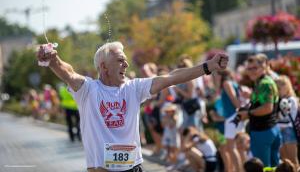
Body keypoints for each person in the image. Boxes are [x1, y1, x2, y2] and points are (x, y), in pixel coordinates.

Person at [37, 41, 228, 172]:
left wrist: (207, 67)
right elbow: (68, 73)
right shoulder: (88, 89)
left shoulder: (134, 87)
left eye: (125, 60)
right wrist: (52, 59)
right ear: (103, 67)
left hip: (133, 167)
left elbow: (171, 77)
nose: (126, 64)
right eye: (120, 60)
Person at [238, 54, 281, 167]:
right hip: (270, 129)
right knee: (272, 168)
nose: (251, 71)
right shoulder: (262, 82)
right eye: (249, 68)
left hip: (263, 131)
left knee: (262, 168)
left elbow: (267, 108)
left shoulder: (265, 83)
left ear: (264, 67)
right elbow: (262, 102)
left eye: (255, 68)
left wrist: (247, 114)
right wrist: (251, 96)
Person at [275, 75, 299, 168]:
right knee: (284, 161)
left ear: (286, 86)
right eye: (276, 87)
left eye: (279, 87)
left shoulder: (291, 100)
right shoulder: (279, 99)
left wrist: (276, 114)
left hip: (288, 130)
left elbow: (284, 114)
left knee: (293, 159)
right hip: (279, 130)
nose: (277, 90)